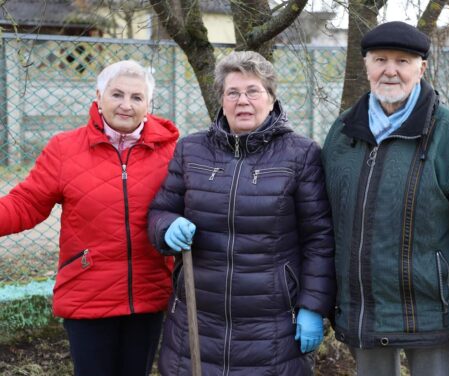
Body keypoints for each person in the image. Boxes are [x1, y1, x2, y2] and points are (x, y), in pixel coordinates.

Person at [321, 21, 449, 376]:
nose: (391, 71)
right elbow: (326, 223)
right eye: (380, 60)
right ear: (367, 66)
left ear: (422, 68)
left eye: (403, 61)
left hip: (432, 311)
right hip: (364, 309)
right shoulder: (344, 132)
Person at [147, 50, 335, 376]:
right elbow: (160, 210)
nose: (242, 100)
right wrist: (166, 227)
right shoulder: (191, 150)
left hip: (272, 325)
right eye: (232, 92)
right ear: (221, 99)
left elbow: (319, 237)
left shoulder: (301, 154)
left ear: (272, 99)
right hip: (197, 319)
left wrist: (313, 306)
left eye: (253, 91)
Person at [0, 60, 179, 375]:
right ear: (99, 96)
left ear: (149, 104)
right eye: (117, 94)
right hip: (87, 293)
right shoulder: (64, 148)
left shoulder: (172, 151)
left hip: (148, 293)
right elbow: (26, 203)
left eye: (137, 98)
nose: (126, 105)